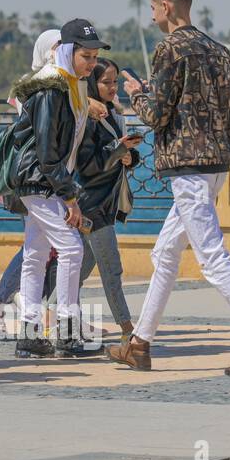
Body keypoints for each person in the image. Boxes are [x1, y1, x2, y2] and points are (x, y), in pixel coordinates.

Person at [107, 0, 230, 376]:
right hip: (216, 168)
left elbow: (156, 116)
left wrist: (136, 92)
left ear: (166, 6)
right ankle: (139, 344)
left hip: (187, 171)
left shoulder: (170, 49)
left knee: (211, 258)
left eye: (153, 9)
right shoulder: (220, 51)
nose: (152, 17)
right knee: (166, 253)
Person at [6, 19, 108, 359]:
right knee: (72, 248)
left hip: (45, 180)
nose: (92, 65)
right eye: (86, 57)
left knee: (35, 255)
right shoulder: (52, 89)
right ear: (67, 51)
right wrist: (69, 198)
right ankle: (66, 331)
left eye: (95, 58)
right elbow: (48, 152)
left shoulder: (72, 85)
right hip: (39, 181)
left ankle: (30, 334)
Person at [75, 56, 137, 343]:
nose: (112, 88)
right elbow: (87, 165)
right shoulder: (87, 117)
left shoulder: (113, 113)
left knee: (81, 267)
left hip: (106, 201)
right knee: (111, 268)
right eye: (106, 82)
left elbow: (123, 156)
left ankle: (48, 314)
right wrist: (117, 151)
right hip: (91, 203)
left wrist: (128, 155)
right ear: (92, 83)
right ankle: (128, 331)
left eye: (115, 82)